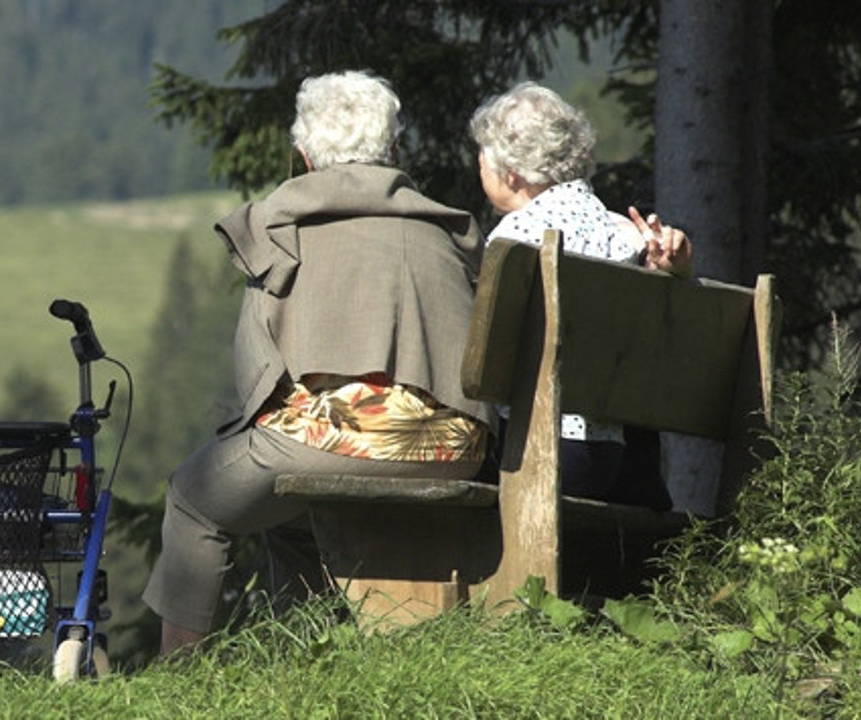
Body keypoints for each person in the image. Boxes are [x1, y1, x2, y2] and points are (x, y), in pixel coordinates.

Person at [142, 70, 493, 655]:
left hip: (334, 441)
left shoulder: (281, 225)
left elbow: (259, 367)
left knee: (192, 499)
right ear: (396, 150)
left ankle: (176, 676)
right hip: (457, 449)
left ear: (303, 156)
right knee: (290, 512)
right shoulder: (447, 231)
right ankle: (309, 660)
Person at [469, 81, 692, 506]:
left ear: (510, 171)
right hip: (627, 459)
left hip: (543, 449)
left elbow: (487, 368)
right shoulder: (624, 233)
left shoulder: (513, 239)